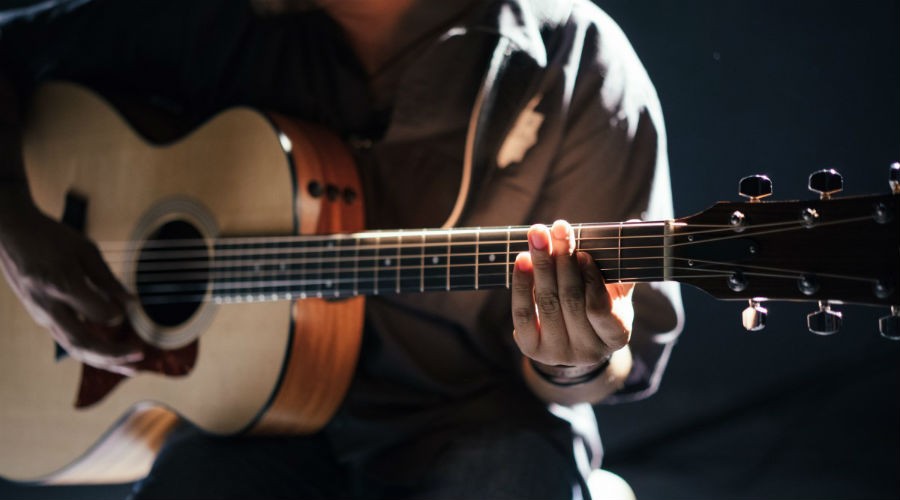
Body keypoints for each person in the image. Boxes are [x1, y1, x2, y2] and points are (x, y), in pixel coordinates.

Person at [0, 0, 683, 498]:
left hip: (475, 423)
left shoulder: (575, 58)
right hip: (252, 430)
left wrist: (570, 359)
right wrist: (16, 224)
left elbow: (619, 360)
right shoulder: (225, 22)